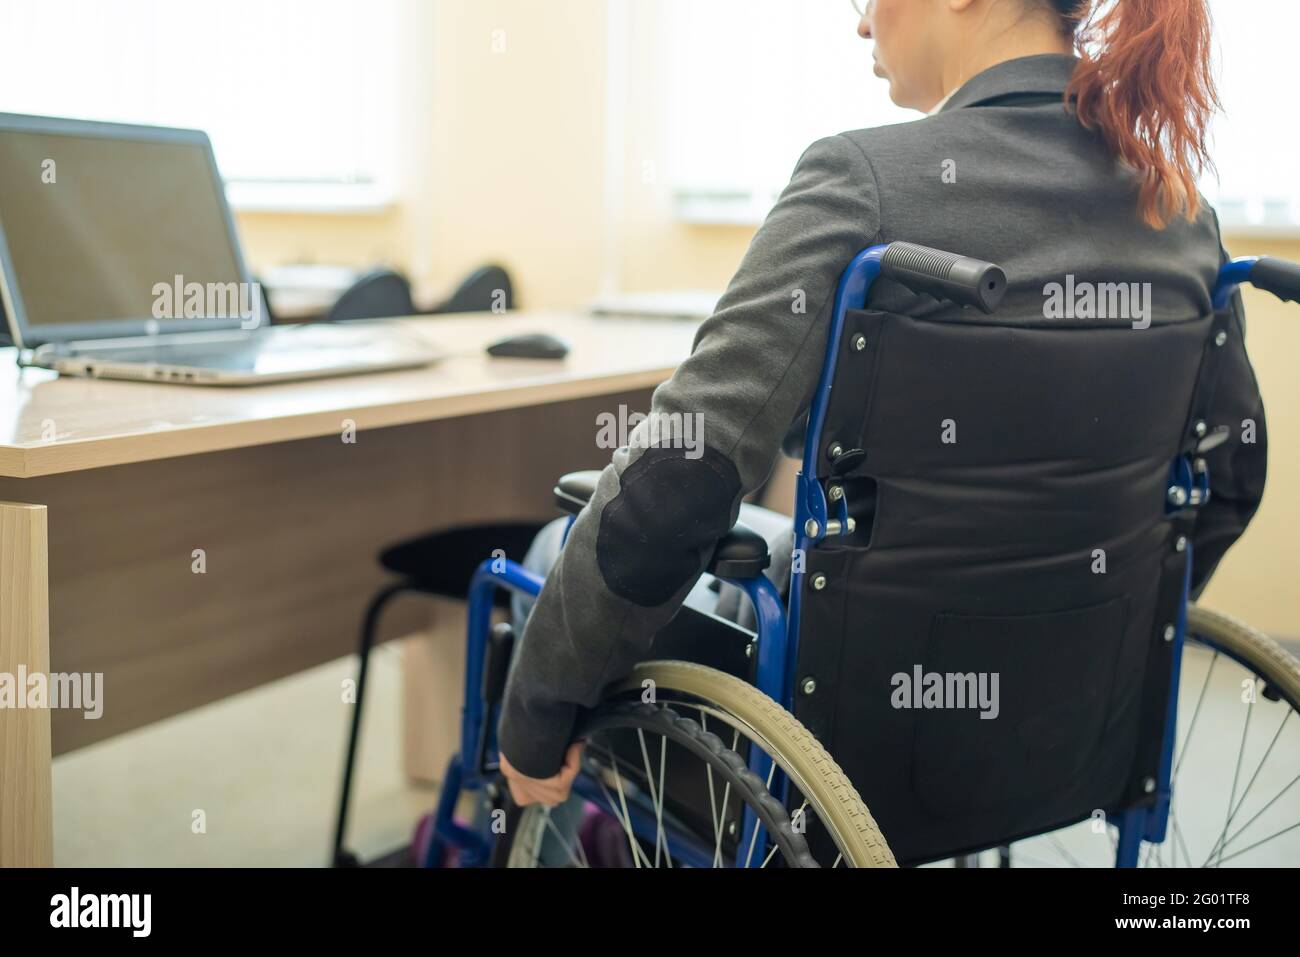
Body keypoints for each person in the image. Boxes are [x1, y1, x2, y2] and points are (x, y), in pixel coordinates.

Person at [497, 0, 1268, 808]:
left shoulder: (861, 182)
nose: (862, 25)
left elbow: (676, 482)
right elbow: (1233, 479)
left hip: (838, 744)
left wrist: (536, 718)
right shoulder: (1180, 216)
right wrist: (1088, 636)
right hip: (1070, 727)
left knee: (558, 546)